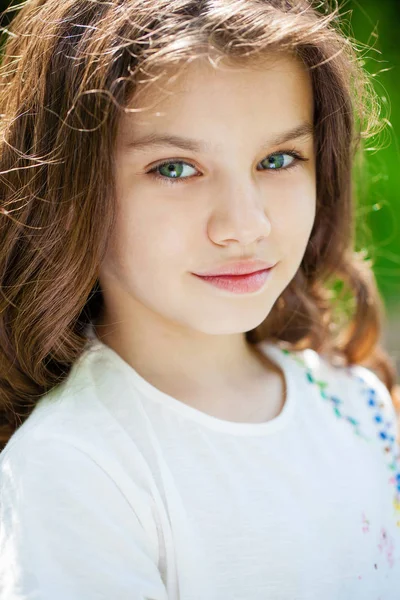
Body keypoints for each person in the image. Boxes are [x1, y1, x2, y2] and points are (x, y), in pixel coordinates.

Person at [0, 0, 399, 598]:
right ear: (70, 188)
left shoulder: (352, 400)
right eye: (176, 169)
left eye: (278, 159)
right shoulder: (78, 468)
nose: (245, 225)